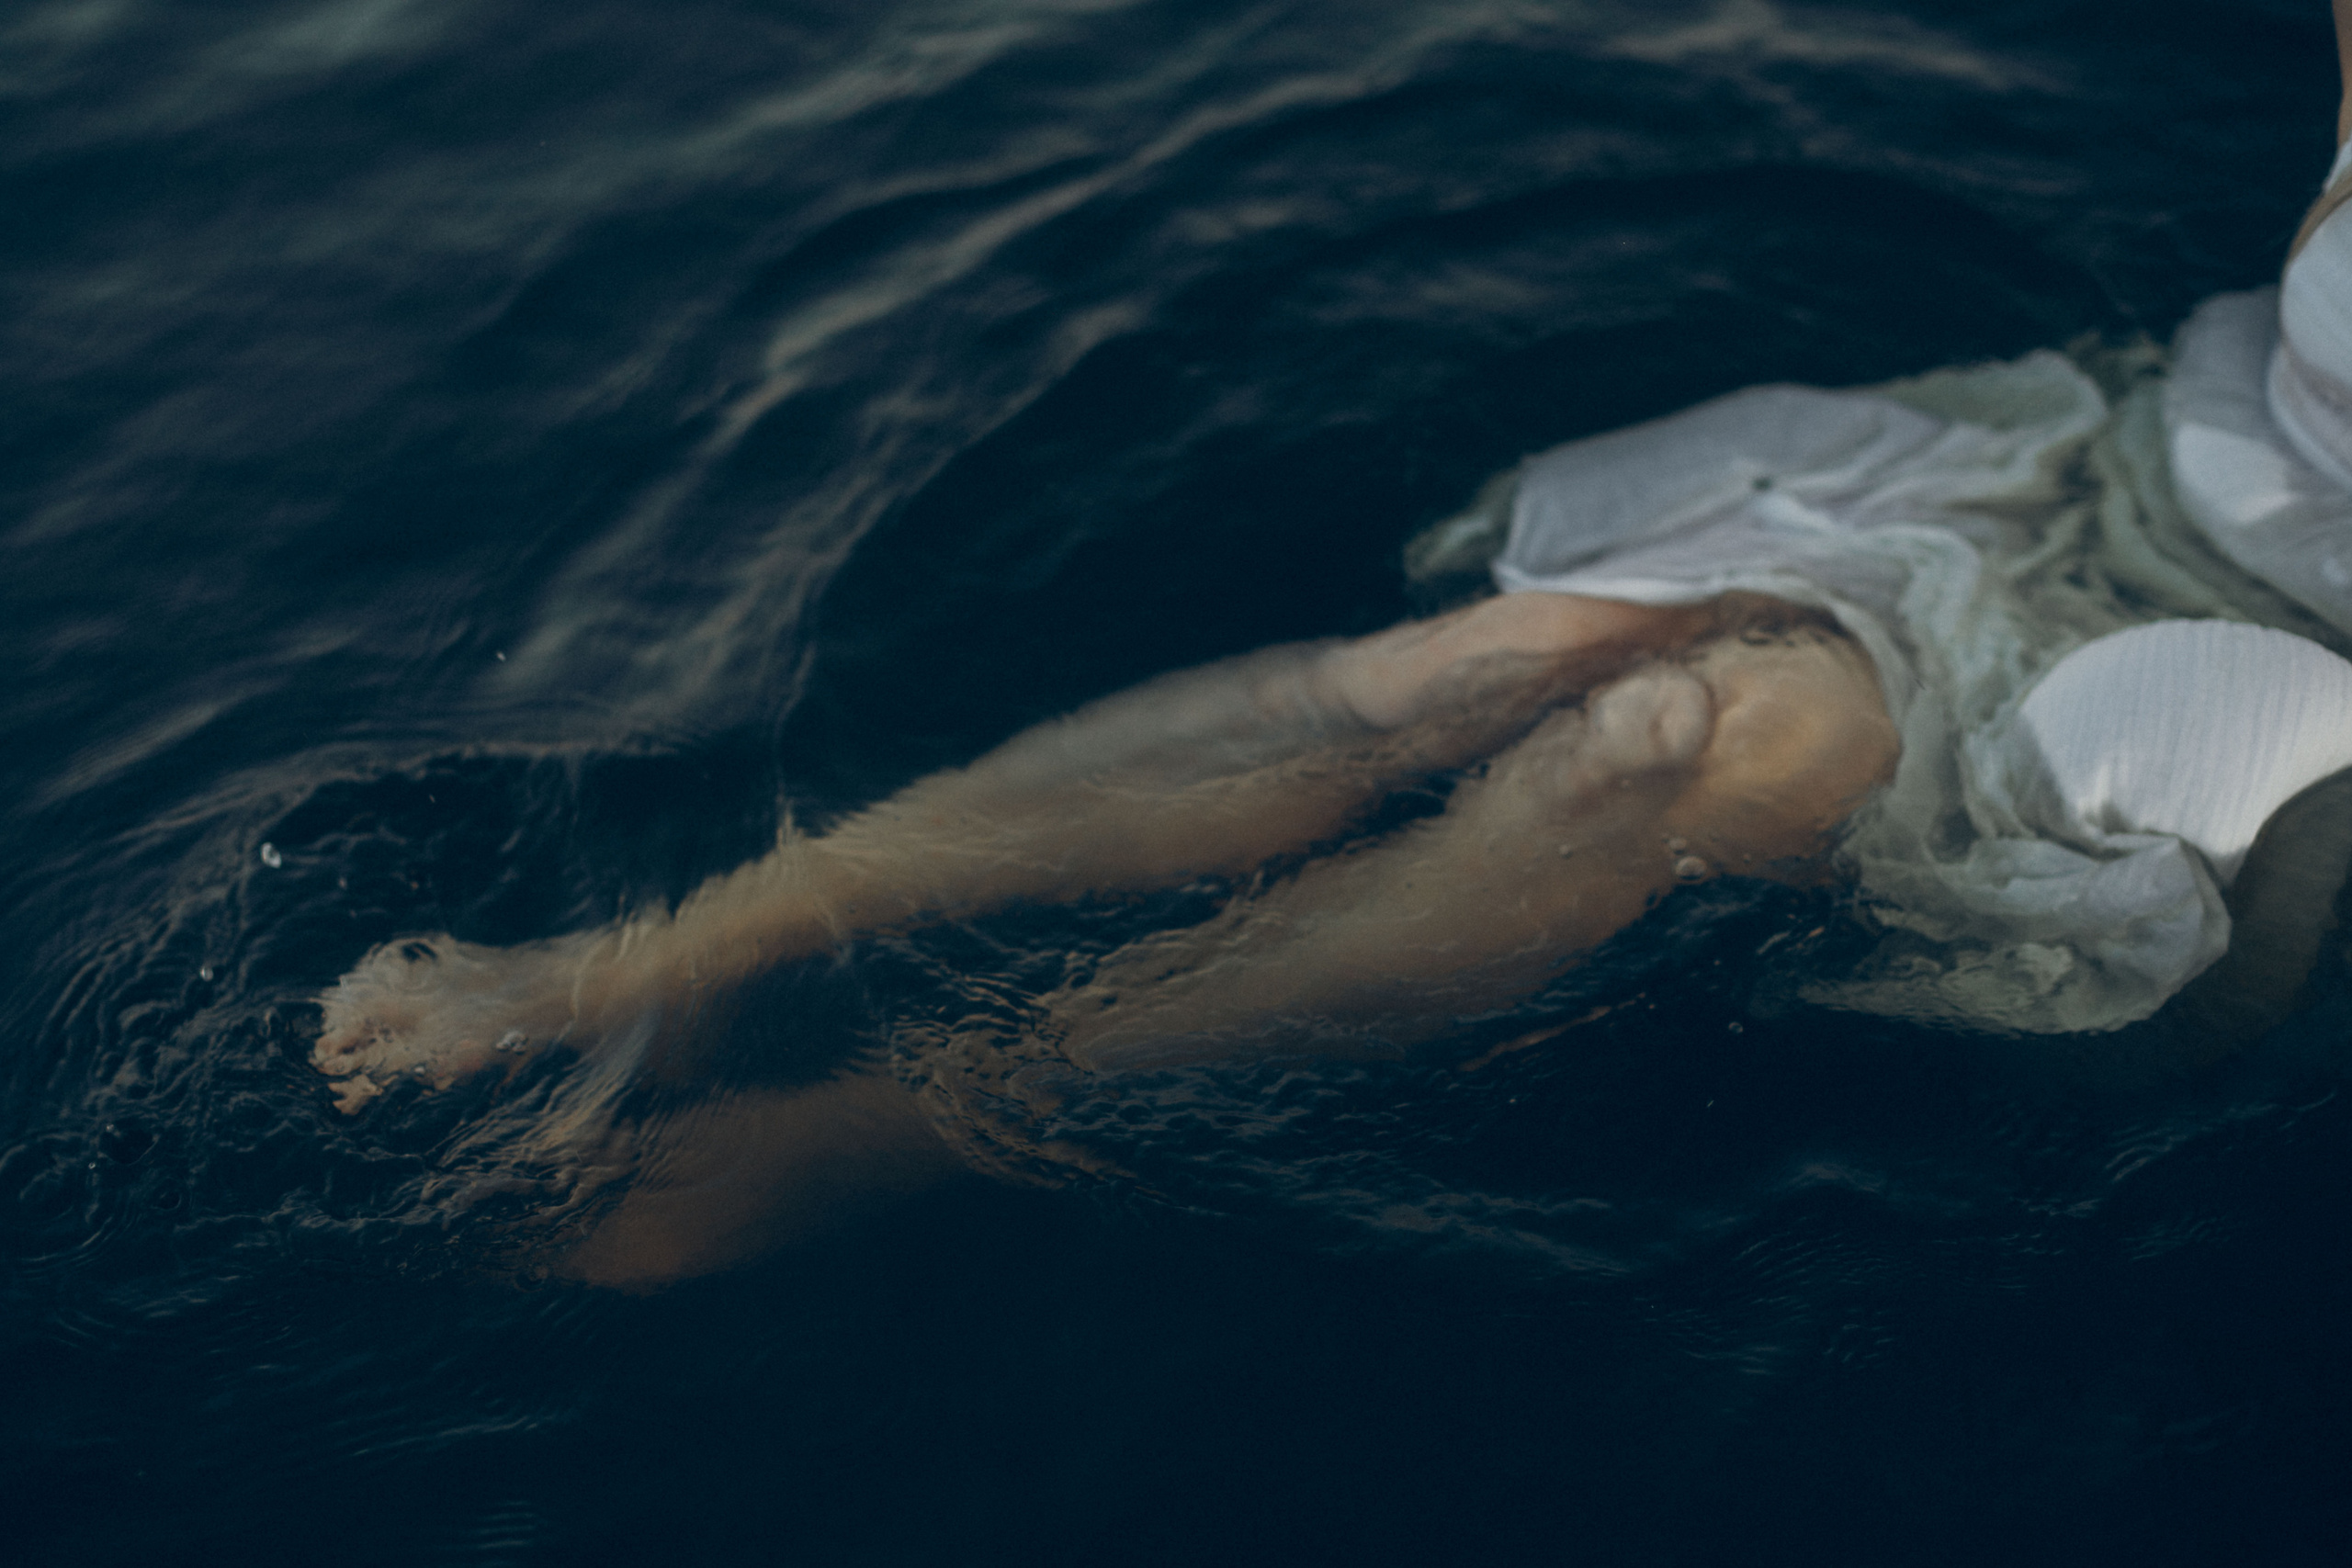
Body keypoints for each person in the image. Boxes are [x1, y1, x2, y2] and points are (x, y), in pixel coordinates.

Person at [313, 2, 2352, 1286]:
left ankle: (865, 1134)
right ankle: (637, 957)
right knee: (1477, 659)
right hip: (2085, 456)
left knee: (1657, 732)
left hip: (2230, 673)